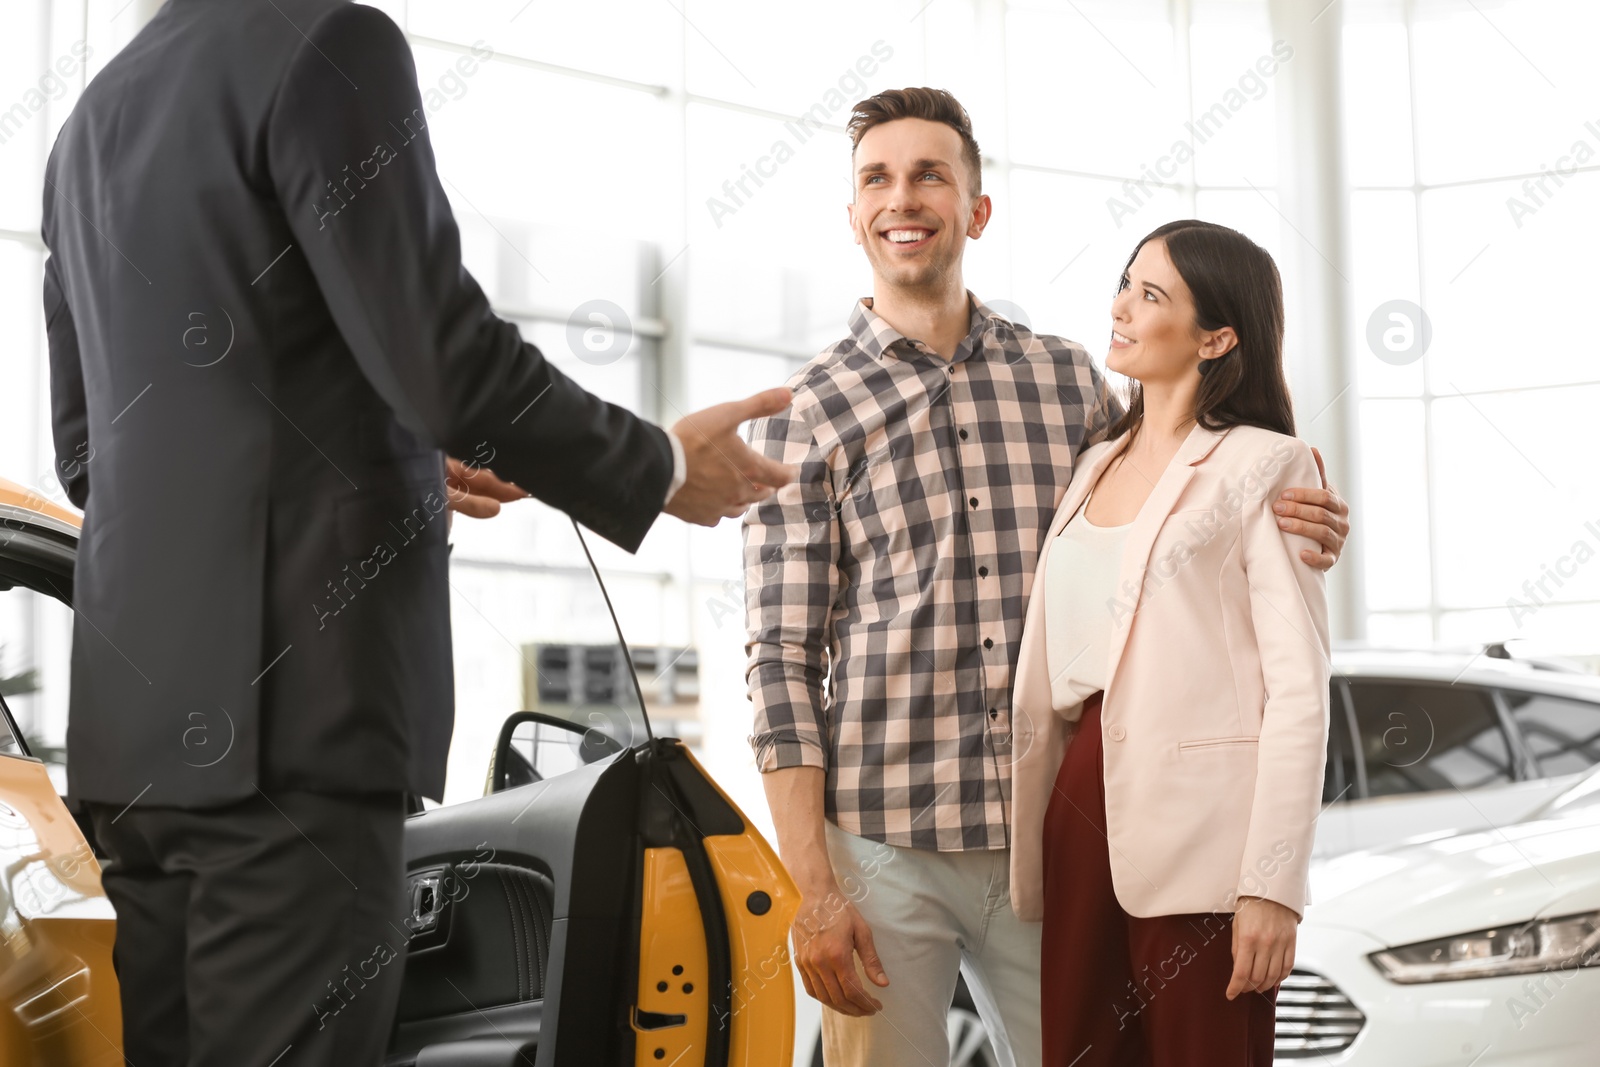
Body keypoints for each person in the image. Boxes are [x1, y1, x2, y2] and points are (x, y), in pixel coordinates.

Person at [42, 1, 793, 1063]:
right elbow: (446, 358)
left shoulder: (90, 119)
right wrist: (658, 468)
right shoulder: (328, 42)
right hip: (295, 724)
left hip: (136, 748)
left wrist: (374, 455)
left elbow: (93, 456)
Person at [741, 87, 1349, 1067]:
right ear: (853, 215)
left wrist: (1299, 512)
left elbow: (1172, 510)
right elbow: (778, 661)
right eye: (877, 179)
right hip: (881, 850)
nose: (904, 196)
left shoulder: (1068, 381)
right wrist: (813, 885)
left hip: (1054, 845)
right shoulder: (801, 413)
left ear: (976, 210)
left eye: (931, 173)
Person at [1008, 220, 1330, 1066]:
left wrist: (1271, 882)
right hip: (1079, 808)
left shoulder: (1266, 464)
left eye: (1152, 295)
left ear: (1218, 337)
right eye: (1125, 282)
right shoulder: (1091, 467)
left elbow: (1299, 690)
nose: (1121, 307)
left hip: (1205, 836)